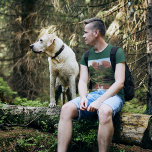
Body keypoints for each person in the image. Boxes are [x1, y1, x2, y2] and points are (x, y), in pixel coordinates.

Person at [57, 17, 125, 152]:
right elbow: (82, 81)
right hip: (93, 95)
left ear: (96, 33)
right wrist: (83, 98)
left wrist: (99, 101)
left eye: (85, 32)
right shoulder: (87, 56)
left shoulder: (116, 52)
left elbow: (120, 82)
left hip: (113, 96)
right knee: (66, 109)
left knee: (105, 111)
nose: (83, 36)